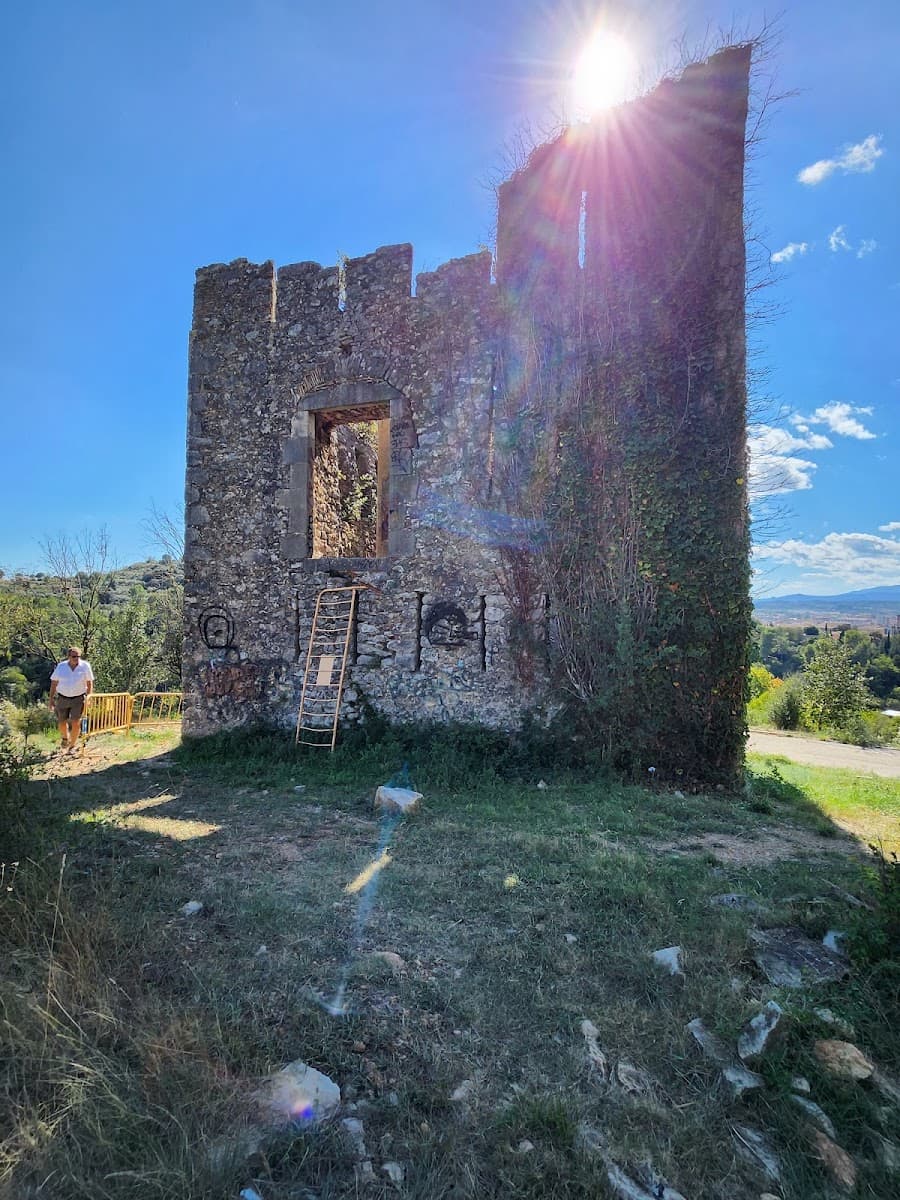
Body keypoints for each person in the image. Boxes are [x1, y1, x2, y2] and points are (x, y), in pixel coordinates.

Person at [48, 646, 94, 752]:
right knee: (61, 721)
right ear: (68, 656)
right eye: (74, 656)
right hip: (63, 697)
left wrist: (89, 697)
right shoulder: (61, 666)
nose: (76, 658)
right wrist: (51, 699)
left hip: (78, 698)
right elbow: (54, 682)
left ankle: (72, 745)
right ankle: (65, 738)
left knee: (75, 722)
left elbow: (89, 682)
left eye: (78, 656)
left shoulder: (85, 666)